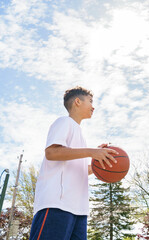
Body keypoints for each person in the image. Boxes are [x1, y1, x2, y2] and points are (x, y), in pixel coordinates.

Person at [30, 86, 117, 240]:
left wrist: (101, 162)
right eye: (90, 101)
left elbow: (80, 168)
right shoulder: (64, 122)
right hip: (57, 204)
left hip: (79, 210)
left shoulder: (80, 134)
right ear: (77, 101)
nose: (93, 106)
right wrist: (92, 152)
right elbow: (51, 153)